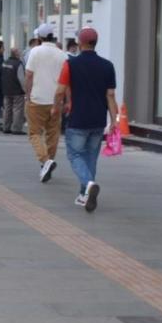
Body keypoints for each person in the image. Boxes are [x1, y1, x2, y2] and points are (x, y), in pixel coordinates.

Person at [55, 27, 118, 213]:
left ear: (80, 43)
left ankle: (88, 184)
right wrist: (114, 120)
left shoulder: (70, 64)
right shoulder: (107, 65)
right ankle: (85, 194)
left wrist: (56, 107)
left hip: (77, 118)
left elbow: (60, 90)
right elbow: (111, 95)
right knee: (91, 157)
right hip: (98, 120)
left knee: (74, 154)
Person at [25, 23, 68, 183]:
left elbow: (29, 75)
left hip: (37, 98)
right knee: (53, 133)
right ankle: (48, 162)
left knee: (34, 133)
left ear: (39, 37)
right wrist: (65, 100)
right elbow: (66, 80)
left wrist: (27, 95)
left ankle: (45, 161)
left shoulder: (35, 52)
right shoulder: (62, 54)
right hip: (56, 99)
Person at [1, 47, 27, 134]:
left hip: (6, 90)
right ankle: (16, 129)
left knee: (7, 108)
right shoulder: (18, 64)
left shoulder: (5, 62)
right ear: (16, 54)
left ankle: (6, 127)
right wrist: (25, 90)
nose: (20, 54)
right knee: (17, 109)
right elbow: (21, 79)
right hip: (17, 90)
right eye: (19, 52)